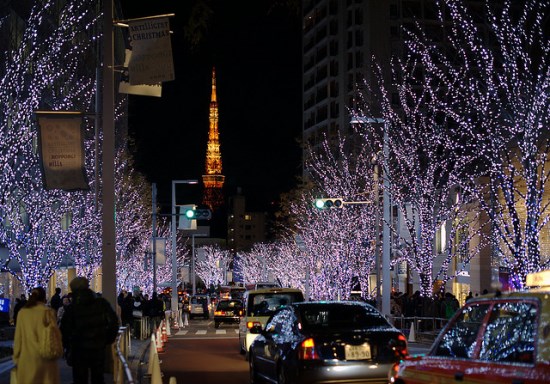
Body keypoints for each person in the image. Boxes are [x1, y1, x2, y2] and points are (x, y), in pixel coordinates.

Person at [60, 276, 119, 384]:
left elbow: (64, 329)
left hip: (79, 348)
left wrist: (68, 345)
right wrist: (107, 339)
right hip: (98, 346)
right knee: (98, 378)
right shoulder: (101, 303)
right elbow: (113, 322)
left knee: (79, 378)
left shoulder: (72, 308)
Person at [12, 287, 60, 384]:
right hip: (46, 358)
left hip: (27, 359)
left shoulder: (23, 313)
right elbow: (56, 336)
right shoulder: (48, 312)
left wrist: (16, 358)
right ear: (44, 298)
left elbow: (18, 338)